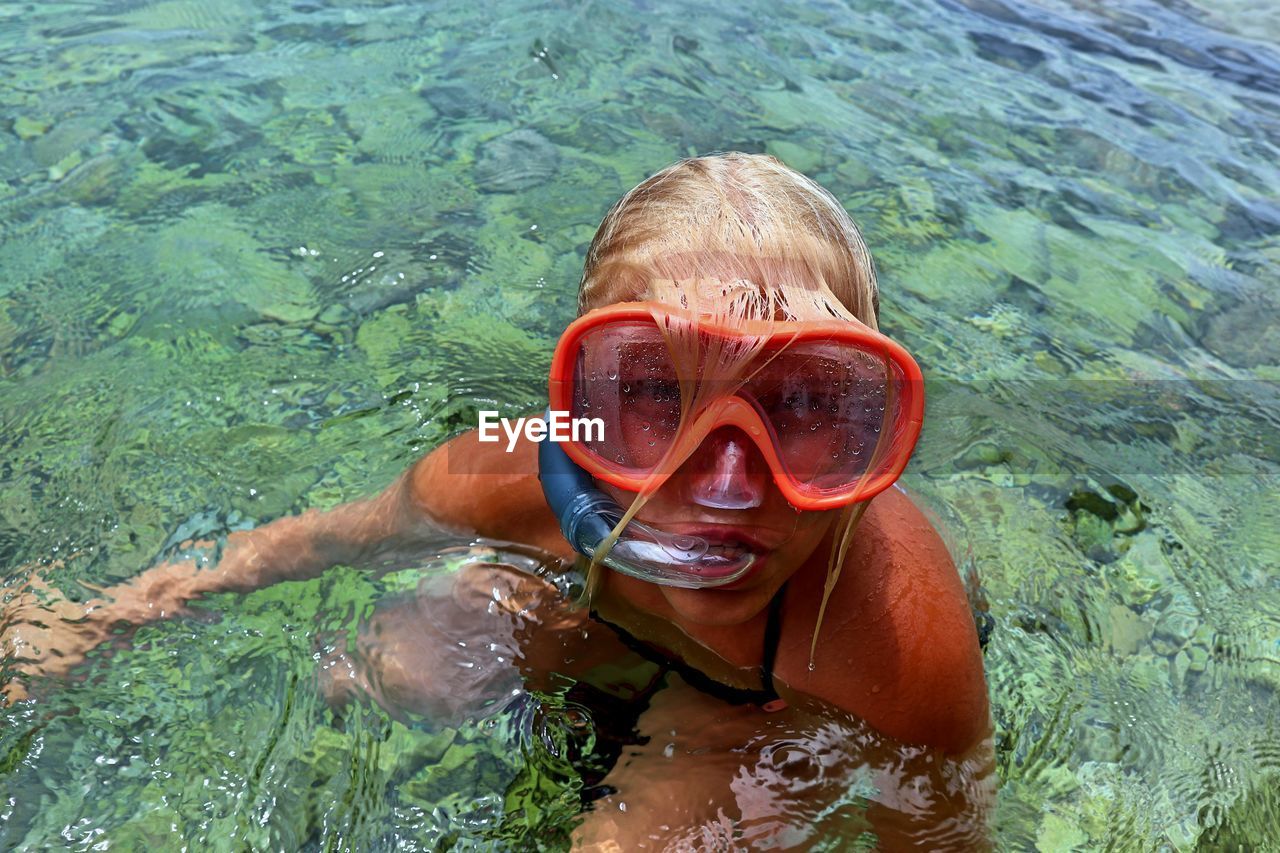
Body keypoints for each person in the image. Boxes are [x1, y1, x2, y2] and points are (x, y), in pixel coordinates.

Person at [1, 153, 991, 846]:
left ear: (875, 425)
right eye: (650, 389)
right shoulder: (509, 469)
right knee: (398, 663)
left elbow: (941, 833)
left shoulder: (891, 626)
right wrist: (100, 617)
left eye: (809, 401)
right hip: (601, 611)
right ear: (578, 407)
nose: (724, 481)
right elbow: (312, 542)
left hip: (763, 701)